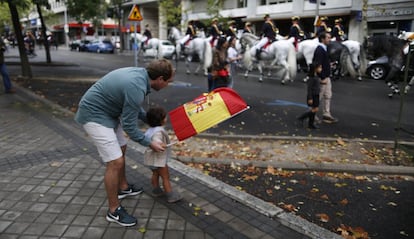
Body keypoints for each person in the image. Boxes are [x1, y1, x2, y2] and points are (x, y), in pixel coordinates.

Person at [74, 59, 175, 227]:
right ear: (159, 79)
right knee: (115, 161)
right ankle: (113, 211)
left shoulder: (141, 77)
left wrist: (149, 120)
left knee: (122, 147)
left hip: (108, 113)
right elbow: (129, 125)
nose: (168, 85)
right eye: (168, 82)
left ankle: (123, 187)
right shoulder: (137, 86)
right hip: (94, 115)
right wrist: (149, 143)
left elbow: (132, 106)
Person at [143, 107, 182, 203]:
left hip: (150, 159)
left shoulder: (150, 130)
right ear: (161, 120)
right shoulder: (158, 131)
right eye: (165, 117)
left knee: (155, 173)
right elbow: (157, 140)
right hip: (158, 160)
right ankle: (170, 195)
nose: (166, 119)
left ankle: (156, 190)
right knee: (165, 177)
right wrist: (160, 144)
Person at [312, 32, 338, 124]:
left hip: (327, 76)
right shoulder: (319, 50)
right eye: (328, 38)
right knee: (318, 96)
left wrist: (329, 65)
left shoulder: (324, 48)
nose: (329, 39)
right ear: (322, 39)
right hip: (322, 78)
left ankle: (326, 114)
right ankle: (312, 115)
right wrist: (322, 77)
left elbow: (322, 63)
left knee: (328, 96)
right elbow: (317, 65)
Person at [297, 63, 322, 129]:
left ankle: (311, 124)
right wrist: (310, 98)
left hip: (316, 94)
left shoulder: (316, 76)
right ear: (315, 69)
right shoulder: (312, 78)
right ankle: (302, 117)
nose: (321, 69)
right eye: (319, 68)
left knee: (314, 109)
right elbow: (309, 89)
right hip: (313, 95)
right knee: (315, 109)